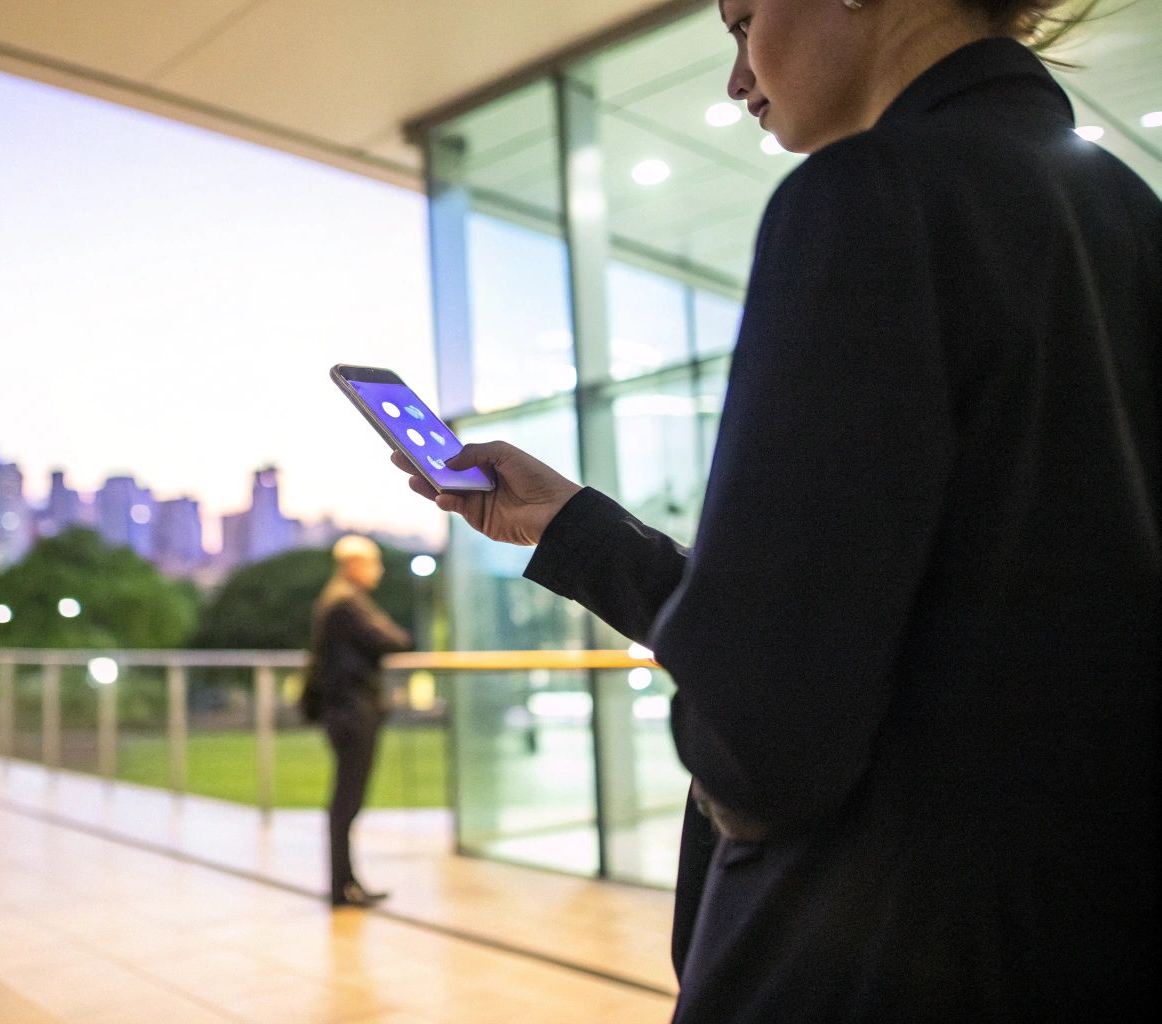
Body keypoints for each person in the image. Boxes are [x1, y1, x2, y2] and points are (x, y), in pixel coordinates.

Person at [394, 0, 1158, 1017]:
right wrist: (570, 525)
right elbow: (913, 632)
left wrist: (724, 731)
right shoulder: (1130, 214)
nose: (737, 76)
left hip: (870, 957)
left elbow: (761, 725)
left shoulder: (866, 195)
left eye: (743, 18)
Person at [304, 535, 413, 908]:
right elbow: (395, 640)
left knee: (346, 802)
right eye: (373, 563)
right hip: (352, 712)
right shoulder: (346, 604)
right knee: (346, 802)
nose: (378, 571)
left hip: (346, 710)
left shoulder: (339, 600)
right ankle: (342, 886)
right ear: (354, 565)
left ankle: (346, 883)